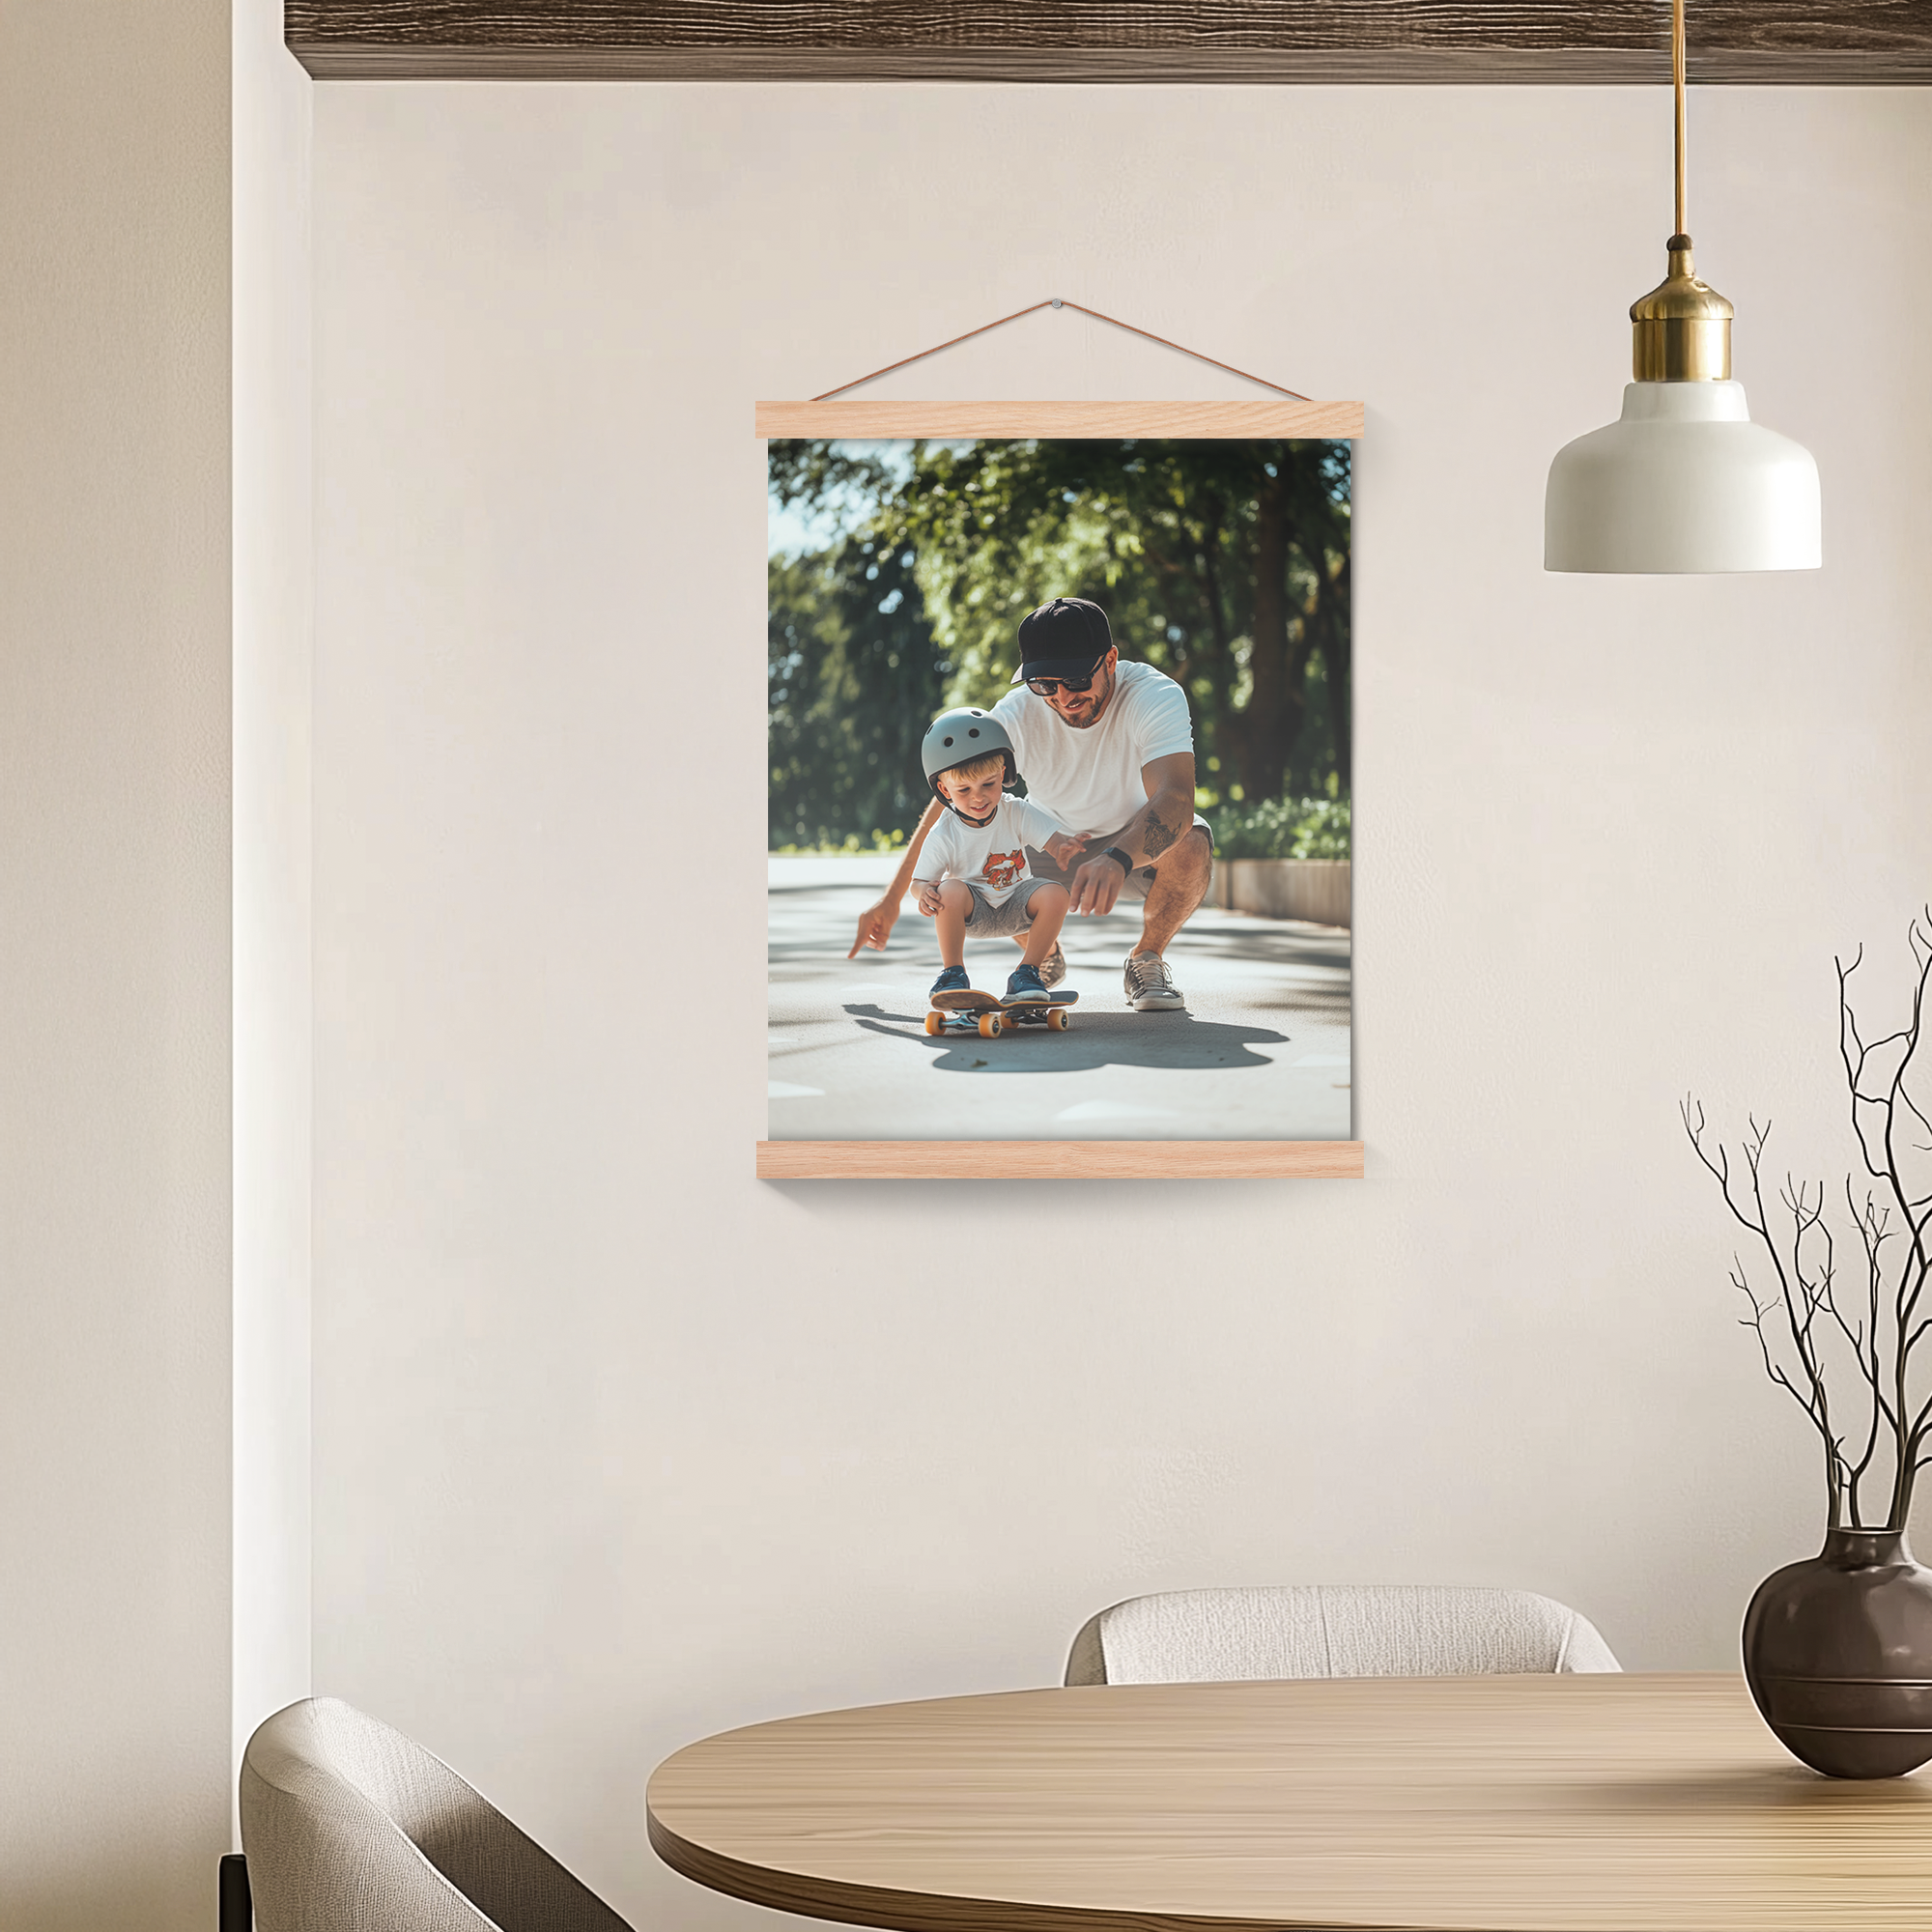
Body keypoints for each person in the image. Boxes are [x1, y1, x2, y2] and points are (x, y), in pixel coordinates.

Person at [850, 598, 1212, 1012]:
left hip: (1133, 844)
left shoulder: (1153, 695)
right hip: (1046, 843)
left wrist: (1117, 857)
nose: (1062, 697)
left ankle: (1146, 958)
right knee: (974, 848)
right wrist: (892, 899)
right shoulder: (1015, 715)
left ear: (1110, 659)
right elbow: (951, 804)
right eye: (1043, 683)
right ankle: (1041, 960)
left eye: (1076, 679)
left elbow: (1177, 798)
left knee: (1192, 843)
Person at [912, 707, 1082, 1005]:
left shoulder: (1014, 810)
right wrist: (924, 892)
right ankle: (953, 973)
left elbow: (1051, 839)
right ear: (944, 789)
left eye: (987, 784)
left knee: (1056, 893)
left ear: (1002, 774)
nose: (978, 797)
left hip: (1017, 904)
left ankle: (1027, 973)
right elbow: (919, 882)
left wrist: (1062, 847)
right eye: (963, 789)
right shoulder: (944, 832)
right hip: (973, 911)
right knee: (948, 888)